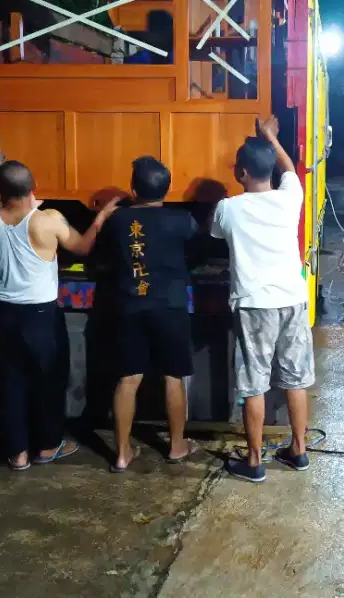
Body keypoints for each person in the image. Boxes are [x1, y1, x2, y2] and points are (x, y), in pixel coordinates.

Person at [0, 160, 117, 471]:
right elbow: (82, 247)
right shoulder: (48, 220)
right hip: (40, 316)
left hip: (3, 314)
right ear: (34, 187)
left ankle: (18, 454)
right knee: (49, 381)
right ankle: (47, 447)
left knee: (11, 384)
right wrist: (101, 217)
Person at [211, 116, 315, 483]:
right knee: (296, 379)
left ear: (241, 172)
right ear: (270, 170)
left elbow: (216, 234)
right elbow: (291, 170)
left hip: (254, 305)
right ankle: (299, 451)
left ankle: (255, 461)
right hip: (292, 299)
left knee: (254, 383)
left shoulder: (228, 208)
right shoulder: (290, 197)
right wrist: (271, 137)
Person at [97, 156, 197, 472]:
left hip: (129, 307)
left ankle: (122, 453)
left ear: (133, 188)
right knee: (173, 376)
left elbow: (101, 255)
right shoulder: (182, 220)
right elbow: (199, 248)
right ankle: (177, 446)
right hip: (170, 308)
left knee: (128, 378)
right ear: (168, 188)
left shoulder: (117, 221)